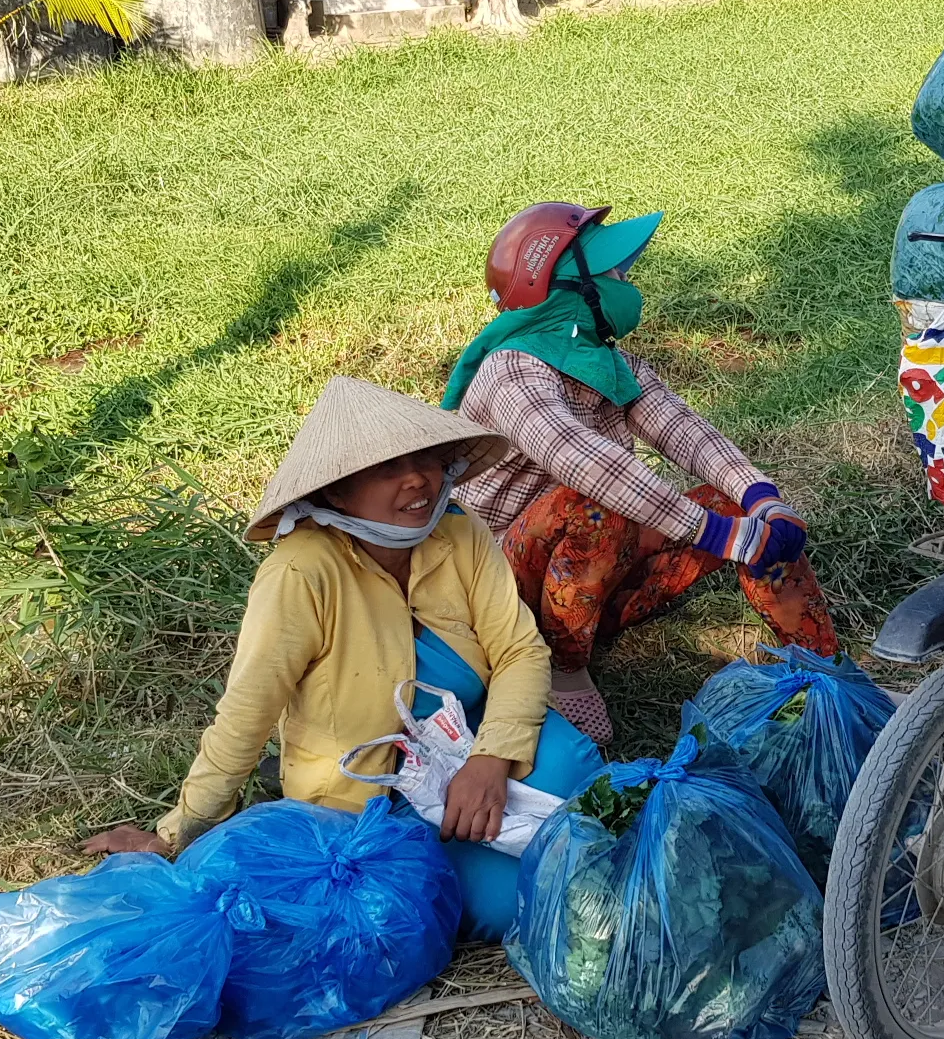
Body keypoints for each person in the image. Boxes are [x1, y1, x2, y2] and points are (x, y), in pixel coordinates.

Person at [82, 376, 601, 940]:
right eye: (386, 468)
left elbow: (519, 650)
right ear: (335, 492)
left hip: (470, 732)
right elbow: (246, 716)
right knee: (499, 905)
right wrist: (176, 832)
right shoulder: (300, 573)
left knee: (578, 768)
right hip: (376, 792)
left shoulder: (460, 531)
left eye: (425, 457)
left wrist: (491, 761)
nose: (417, 479)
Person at [443, 203, 840, 745]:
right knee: (593, 500)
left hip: (590, 580)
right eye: (612, 272)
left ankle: (827, 671)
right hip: (504, 598)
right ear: (568, 288)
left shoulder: (606, 364)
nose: (625, 281)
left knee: (738, 506)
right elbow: (582, 460)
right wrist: (720, 536)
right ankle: (562, 665)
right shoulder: (512, 370)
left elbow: (683, 430)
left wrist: (761, 498)